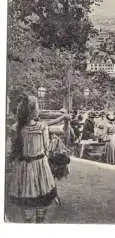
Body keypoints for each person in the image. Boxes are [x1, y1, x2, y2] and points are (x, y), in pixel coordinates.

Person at [7, 95, 64, 223]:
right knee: (42, 197)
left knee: (26, 197)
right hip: (40, 166)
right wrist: (54, 140)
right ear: (33, 111)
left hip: (23, 167)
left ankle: (28, 223)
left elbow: (11, 150)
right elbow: (47, 147)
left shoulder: (15, 127)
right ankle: (39, 223)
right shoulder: (42, 127)